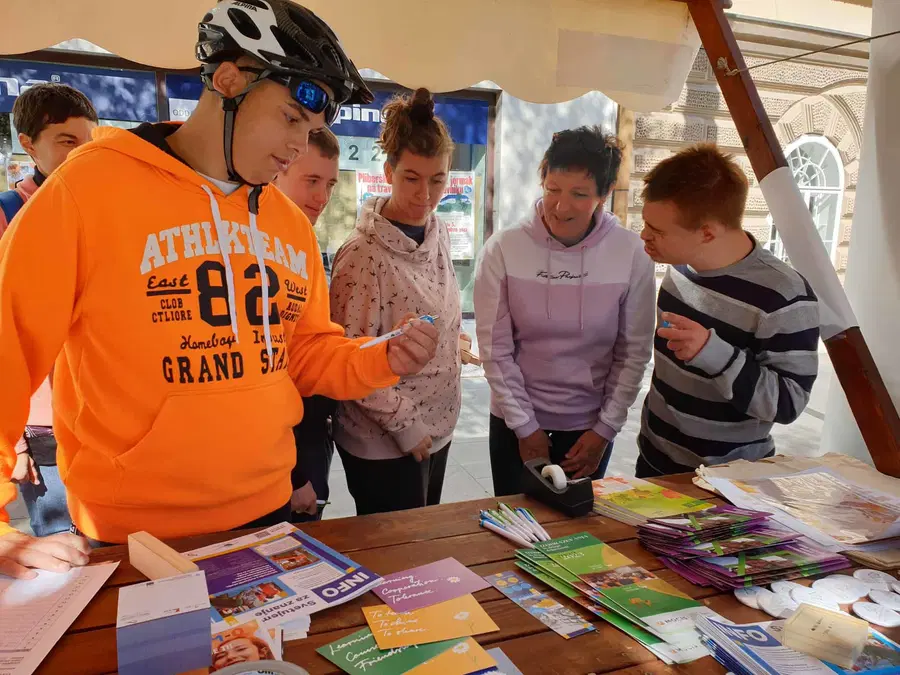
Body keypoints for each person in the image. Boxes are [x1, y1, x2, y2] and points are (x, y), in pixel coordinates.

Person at [0, 0, 438, 579]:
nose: (298, 144)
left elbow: (305, 353)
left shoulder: (287, 225)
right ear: (228, 79)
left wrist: (380, 358)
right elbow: (8, 347)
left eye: (311, 130)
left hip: (268, 512)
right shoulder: (87, 189)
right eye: (290, 118)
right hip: (132, 529)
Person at [475, 127, 656, 496]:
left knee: (578, 523)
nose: (560, 206)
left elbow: (633, 353)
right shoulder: (503, 249)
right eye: (553, 189)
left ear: (605, 194)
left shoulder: (631, 253)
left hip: (588, 428)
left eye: (579, 194)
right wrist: (525, 427)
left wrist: (605, 429)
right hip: (514, 420)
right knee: (516, 519)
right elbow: (495, 350)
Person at [636, 144, 819, 478]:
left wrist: (715, 354)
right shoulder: (679, 268)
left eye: (657, 231)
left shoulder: (784, 295)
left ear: (707, 232)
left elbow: (789, 403)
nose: (644, 236)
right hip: (654, 460)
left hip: (728, 479)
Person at [329, 88, 462, 515]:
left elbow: (438, 309)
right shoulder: (362, 255)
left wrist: (452, 341)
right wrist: (405, 425)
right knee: (399, 551)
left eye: (437, 179)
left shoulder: (438, 230)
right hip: (386, 440)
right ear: (388, 172)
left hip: (438, 423)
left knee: (426, 541)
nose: (426, 194)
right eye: (412, 178)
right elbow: (347, 355)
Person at [0, 83, 98, 537]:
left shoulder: (103, 209)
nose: (81, 154)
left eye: (89, 142)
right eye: (67, 141)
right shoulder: (7, 214)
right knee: (63, 549)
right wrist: (14, 444)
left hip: (103, 418)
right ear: (28, 144)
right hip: (42, 425)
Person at [273, 127, 340, 521]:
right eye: (311, 180)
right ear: (278, 170)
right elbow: (270, 374)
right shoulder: (257, 246)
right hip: (284, 450)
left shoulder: (306, 243)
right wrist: (296, 474)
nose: (323, 196)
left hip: (313, 430)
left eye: (330, 184)